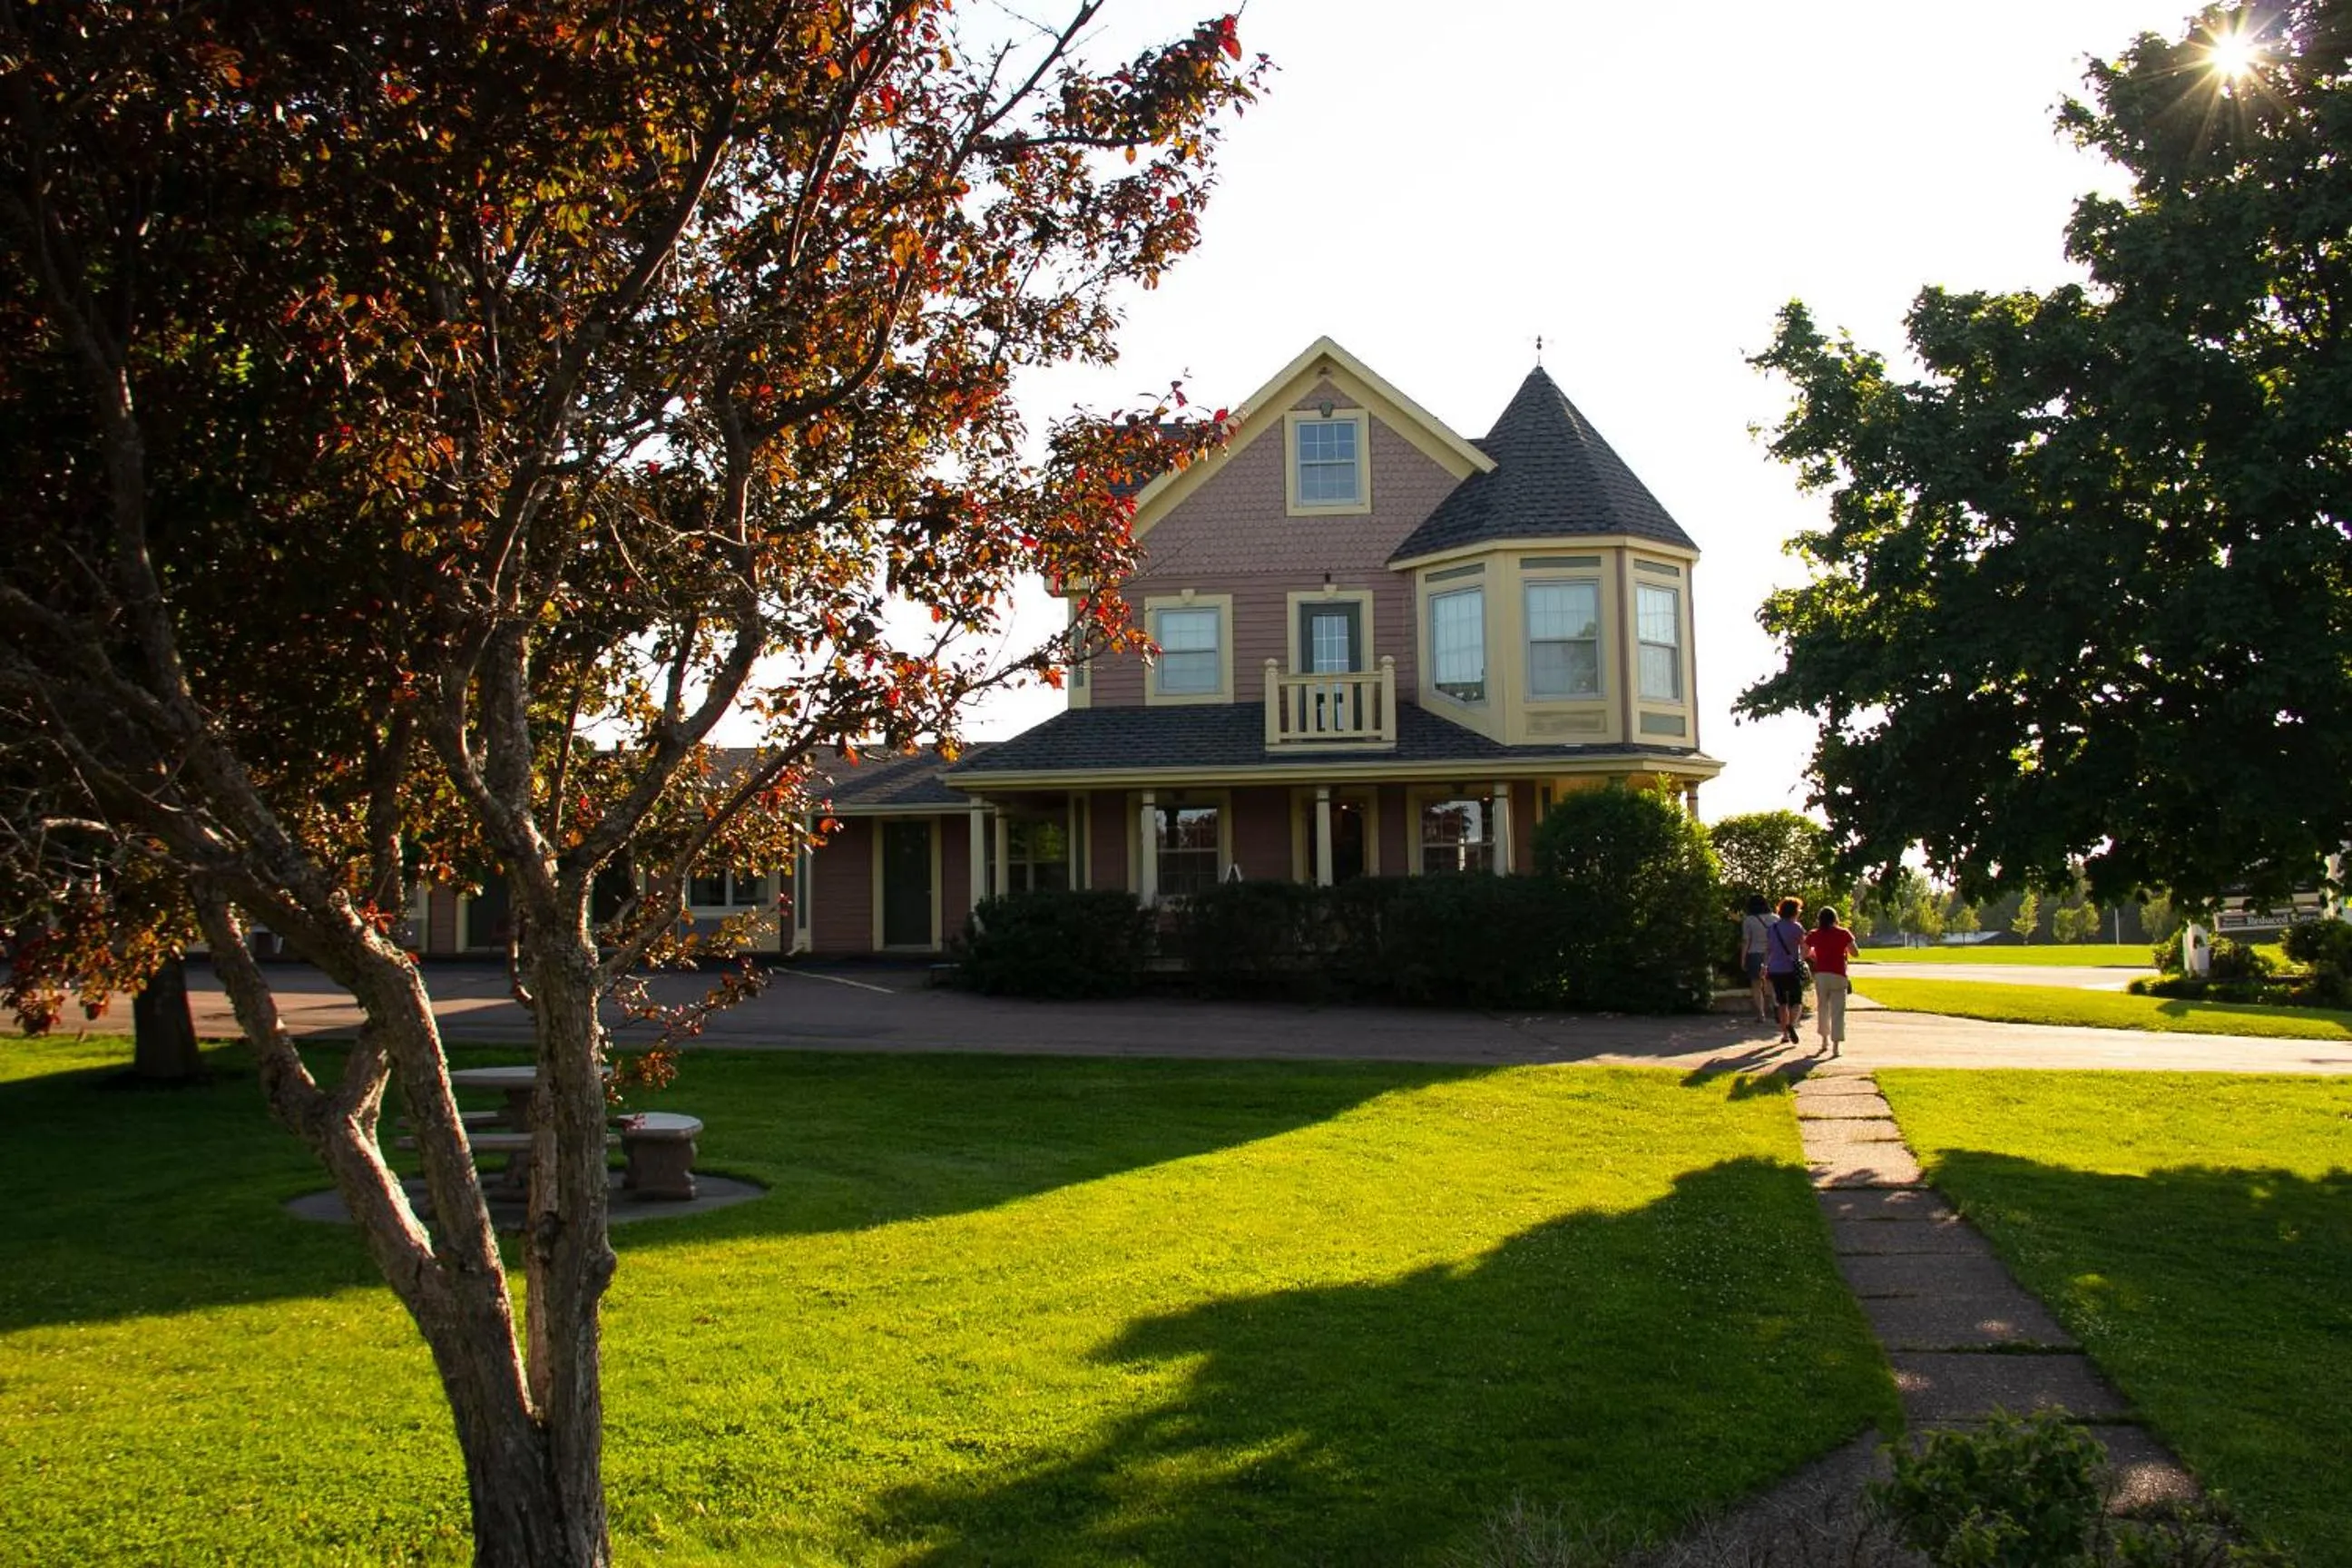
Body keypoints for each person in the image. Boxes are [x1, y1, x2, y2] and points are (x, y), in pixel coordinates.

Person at [1804, 906, 1859, 1054]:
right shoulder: (1843, 933)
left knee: (1823, 1008)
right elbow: (1856, 953)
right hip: (1839, 974)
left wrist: (1814, 955)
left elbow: (1804, 952)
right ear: (1835, 918)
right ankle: (1836, 1046)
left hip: (1821, 974)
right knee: (1838, 1011)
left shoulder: (1814, 934)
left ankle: (1824, 1041)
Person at [1763, 897, 1808, 1044]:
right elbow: (1804, 947)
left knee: (1782, 1002)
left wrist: (1764, 966)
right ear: (1795, 911)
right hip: (1791, 969)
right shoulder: (1797, 928)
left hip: (1775, 969)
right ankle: (1791, 1025)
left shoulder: (1772, 928)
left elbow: (1768, 949)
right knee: (1796, 1001)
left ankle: (1784, 1035)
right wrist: (1804, 958)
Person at [1738, 895, 1774, 1024]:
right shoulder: (1775, 918)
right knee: (1772, 982)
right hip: (1772, 954)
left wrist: (1743, 959)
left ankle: (1761, 1014)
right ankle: (1776, 1007)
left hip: (1754, 953)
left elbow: (1746, 941)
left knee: (1756, 985)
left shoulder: (1749, 920)